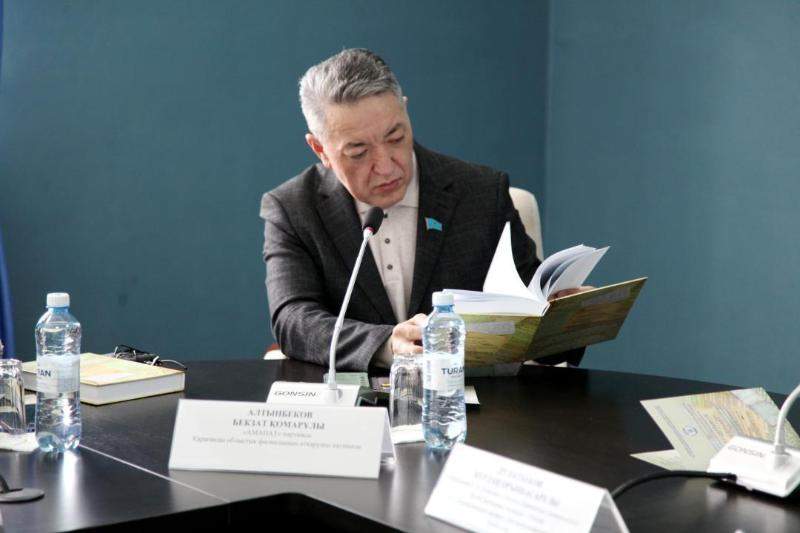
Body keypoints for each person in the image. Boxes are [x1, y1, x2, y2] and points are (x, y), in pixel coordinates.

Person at [260, 48, 580, 371]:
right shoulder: (293, 208)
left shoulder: (481, 193)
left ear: (405, 110)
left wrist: (572, 315)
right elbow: (293, 319)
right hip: (355, 397)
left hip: (468, 395)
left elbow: (536, 324)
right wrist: (384, 344)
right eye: (358, 152)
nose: (386, 167)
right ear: (320, 150)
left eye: (396, 137)